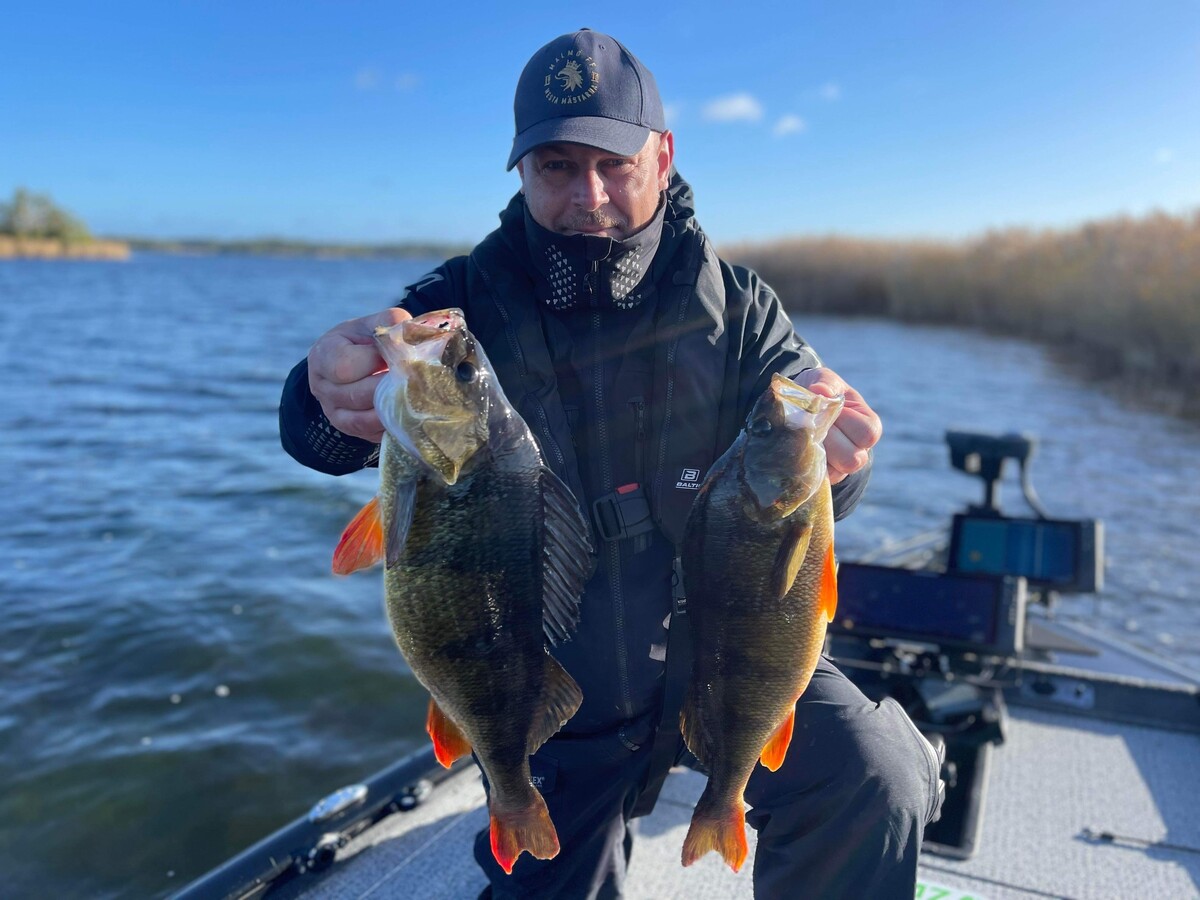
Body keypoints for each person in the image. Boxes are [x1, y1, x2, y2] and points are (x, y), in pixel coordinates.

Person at [280, 29, 943, 899]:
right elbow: (318, 437)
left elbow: (819, 486)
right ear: (520, 170)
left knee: (878, 773)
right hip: (556, 694)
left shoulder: (743, 309)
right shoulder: (457, 310)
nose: (586, 195)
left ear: (662, 156)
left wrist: (846, 458)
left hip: (728, 656)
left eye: (613, 164)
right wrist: (321, 397)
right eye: (557, 166)